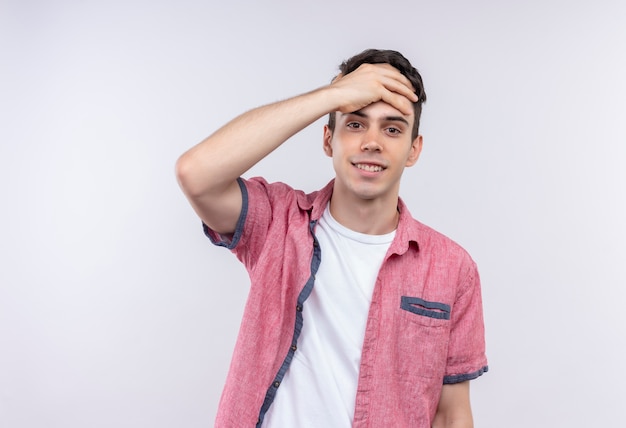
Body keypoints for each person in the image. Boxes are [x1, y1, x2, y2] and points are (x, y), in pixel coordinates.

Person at [176, 48, 488, 428]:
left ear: (414, 149)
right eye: (355, 124)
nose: (372, 142)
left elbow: (451, 414)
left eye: (392, 128)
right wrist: (332, 95)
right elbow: (196, 174)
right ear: (328, 140)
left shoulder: (452, 267)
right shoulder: (278, 223)